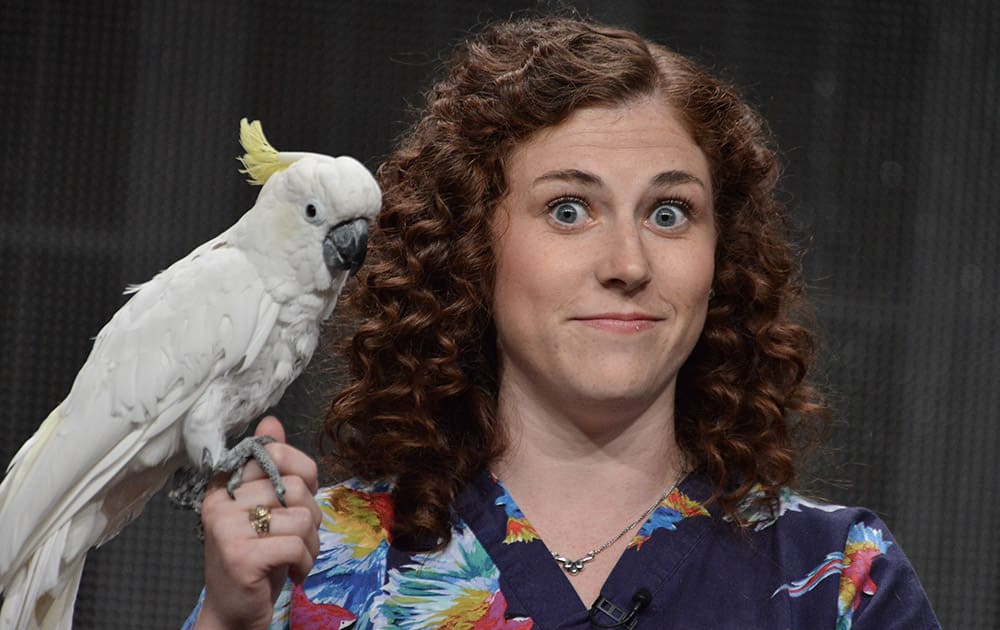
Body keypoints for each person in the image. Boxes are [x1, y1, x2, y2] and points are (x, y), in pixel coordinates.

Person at [184, 15, 940, 629]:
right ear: (472, 245)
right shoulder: (312, 559)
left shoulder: (838, 579)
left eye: (670, 213)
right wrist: (229, 621)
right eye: (569, 210)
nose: (629, 262)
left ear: (722, 259)